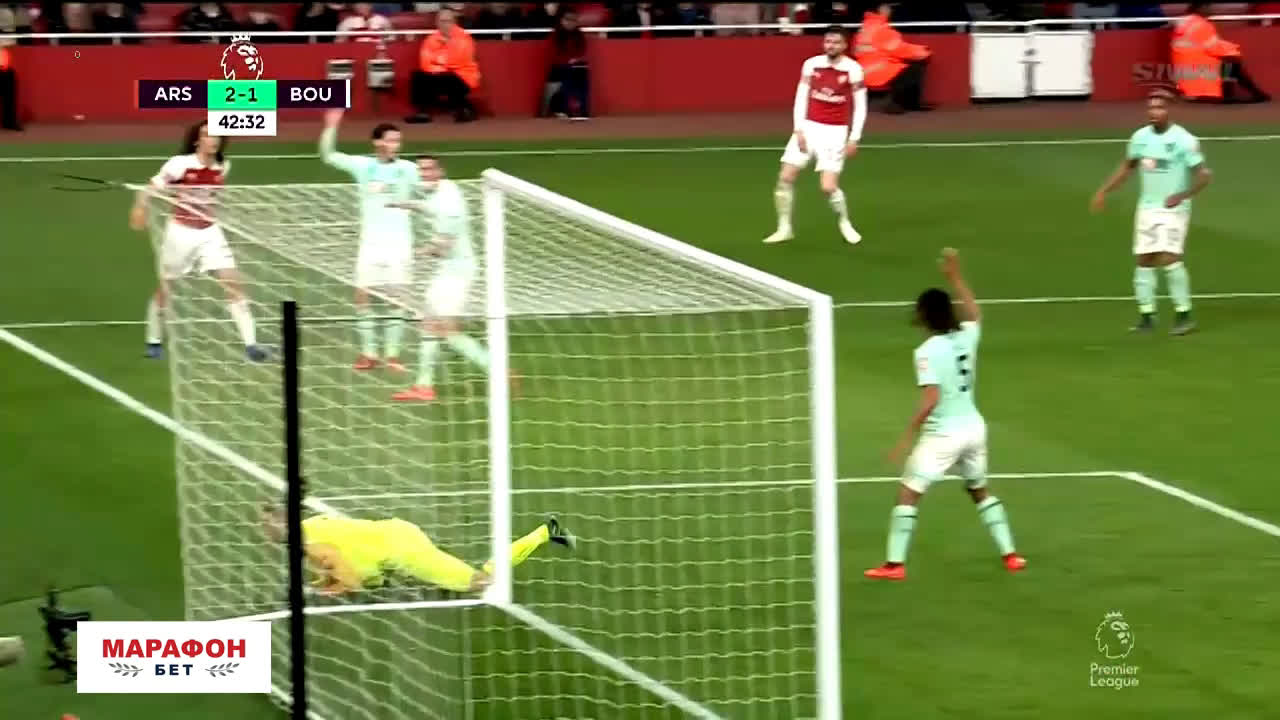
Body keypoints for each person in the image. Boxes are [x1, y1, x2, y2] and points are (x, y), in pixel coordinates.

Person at [865, 248, 1025, 581]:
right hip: (974, 429)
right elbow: (975, 313)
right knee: (979, 490)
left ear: (924, 316)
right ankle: (1011, 555)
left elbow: (931, 399)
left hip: (944, 435)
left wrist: (906, 437)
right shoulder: (966, 337)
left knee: (909, 492)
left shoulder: (926, 352)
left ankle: (894, 565)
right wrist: (955, 277)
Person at [130, 122, 266, 362]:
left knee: (233, 283)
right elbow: (151, 187)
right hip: (180, 235)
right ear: (197, 140)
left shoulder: (223, 166)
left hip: (210, 233)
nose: (213, 139)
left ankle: (251, 345)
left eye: (216, 136)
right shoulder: (179, 165)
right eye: (207, 135)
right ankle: (153, 339)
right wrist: (140, 207)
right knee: (166, 289)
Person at [1091, 91, 1213, 335]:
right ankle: (1147, 316)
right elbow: (1127, 167)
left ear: (1169, 111)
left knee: (1169, 258)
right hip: (1147, 207)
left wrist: (1183, 195)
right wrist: (1104, 190)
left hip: (1173, 209)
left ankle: (1184, 315)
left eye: (1160, 108)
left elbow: (1204, 175)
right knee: (1144, 260)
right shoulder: (1140, 138)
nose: (1154, 112)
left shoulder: (1184, 140)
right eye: (1151, 108)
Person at [262, 505, 576, 595]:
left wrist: (336, 587)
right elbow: (341, 557)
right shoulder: (311, 525)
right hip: (395, 532)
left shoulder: (314, 547)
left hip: (406, 550)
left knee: (480, 582)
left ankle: (544, 533)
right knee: (373, 577)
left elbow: (352, 580)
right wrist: (328, 580)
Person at [318, 109, 419, 371]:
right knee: (362, 295)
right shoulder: (363, 166)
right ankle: (369, 353)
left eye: (398, 141)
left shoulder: (408, 170)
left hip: (399, 245)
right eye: (390, 140)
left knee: (398, 298)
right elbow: (328, 155)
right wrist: (331, 127)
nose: (395, 145)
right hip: (371, 244)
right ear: (377, 142)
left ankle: (393, 354)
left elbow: (431, 187)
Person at [390, 155, 493, 403]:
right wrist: (404, 204)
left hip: (458, 272)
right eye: (421, 170)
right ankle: (424, 386)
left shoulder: (449, 206)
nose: (423, 174)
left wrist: (412, 253)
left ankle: (495, 368)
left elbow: (441, 248)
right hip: (449, 270)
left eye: (429, 169)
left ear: (440, 171)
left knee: (443, 329)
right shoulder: (445, 189)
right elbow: (429, 206)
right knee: (432, 325)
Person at [763, 25, 866, 247]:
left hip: (835, 132)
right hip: (809, 127)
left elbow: (861, 106)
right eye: (828, 41)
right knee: (785, 177)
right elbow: (801, 97)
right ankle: (784, 228)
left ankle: (844, 222)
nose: (831, 46)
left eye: (836, 42)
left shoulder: (853, 69)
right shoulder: (811, 64)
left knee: (828, 187)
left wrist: (854, 138)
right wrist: (798, 129)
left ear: (845, 45)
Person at [1172, 1, 1270, 104]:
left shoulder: (1182, 22)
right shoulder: (1202, 24)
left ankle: (1255, 94)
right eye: (1210, 8)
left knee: (1228, 61)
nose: (1211, 11)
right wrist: (1233, 50)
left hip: (1184, 73)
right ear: (1202, 8)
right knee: (1231, 62)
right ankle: (1230, 96)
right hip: (1199, 74)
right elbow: (1214, 48)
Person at [854, 3, 932, 114]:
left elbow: (859, 51)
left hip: (864, 70)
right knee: (914, 68)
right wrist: (923, 51)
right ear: (882, 9)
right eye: (888, 8)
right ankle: (901, 103)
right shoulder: (882, 28)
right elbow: (899, 49)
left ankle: (898, 102)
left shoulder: (864, 28)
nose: (891, 11)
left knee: (901, 67)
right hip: (878, 71)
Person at [407, 8, 481, 124]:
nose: (445, 24)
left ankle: (465, 110)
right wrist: (441, 66)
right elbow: (424, 63)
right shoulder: (430, 39)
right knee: (418, 76)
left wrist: (437, 61)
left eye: (448, 21)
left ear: (454, 22)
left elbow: (458, 61)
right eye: (442, 21)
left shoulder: (464, 38)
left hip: (463, 78)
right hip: (441, 75)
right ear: (437, 23)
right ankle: (422, 113)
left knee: (449, 77)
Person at [542, 10, 590, 120]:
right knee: (570, 73)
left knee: (582, 70)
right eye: (568, 20)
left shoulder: (579, 35)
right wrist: (568, 61)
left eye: (574, 20)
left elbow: (583, 51)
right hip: (559, 68)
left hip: (575, 67)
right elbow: (553, 55)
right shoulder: (555, 35)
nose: (570, 22)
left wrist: (577, 60)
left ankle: (583, 110)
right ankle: (562, 109)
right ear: (562, 20)